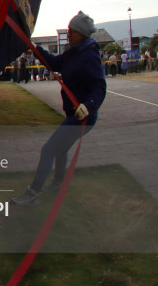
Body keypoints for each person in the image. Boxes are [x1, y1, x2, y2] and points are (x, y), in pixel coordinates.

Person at [11, 11, 107, 206]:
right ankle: (58, 183)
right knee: (60, 149)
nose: (69, 33)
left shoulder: (88, 55)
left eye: (72, 31)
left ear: (81, 33)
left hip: (83, 117)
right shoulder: (74, 52)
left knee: (48, 150)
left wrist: (88, 106)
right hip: (74, 114)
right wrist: (35, 48)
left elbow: (99, 86)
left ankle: (34, 193)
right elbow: (55, 63)